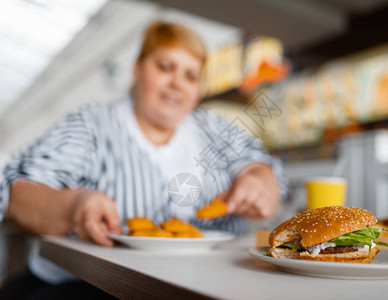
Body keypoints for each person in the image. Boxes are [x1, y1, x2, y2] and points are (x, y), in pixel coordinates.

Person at [0, 22, 287, 298]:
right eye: (165, 67)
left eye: (191, 75)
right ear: (137, 70)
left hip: (212, 284)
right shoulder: (91, 124)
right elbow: (15, 197)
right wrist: (74, 206)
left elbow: (262, 166)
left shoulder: (214, 128)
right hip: (86, 288)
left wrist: (259, 179)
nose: (177, 83)